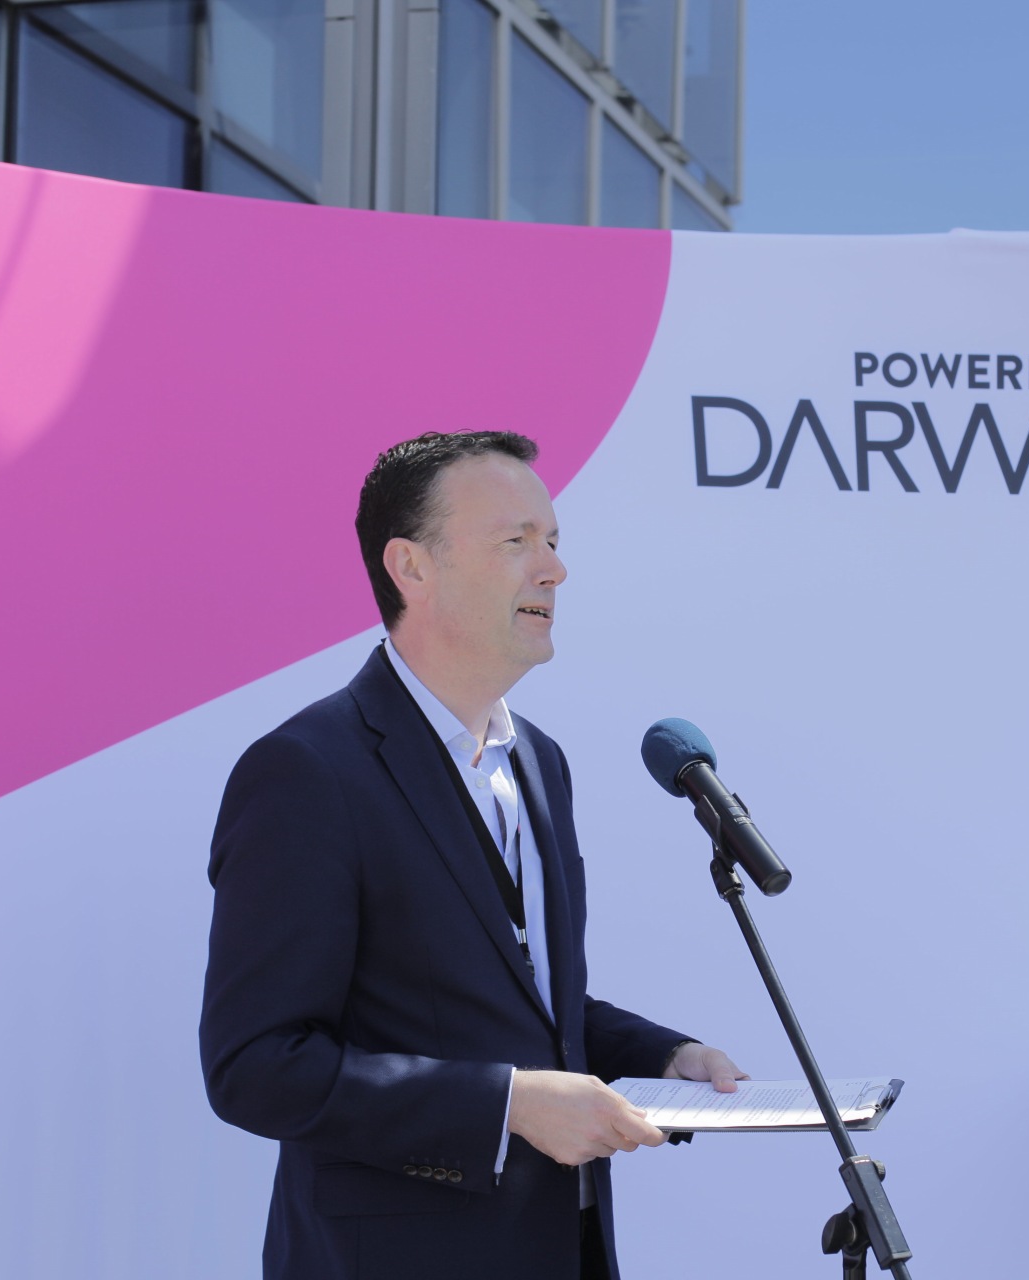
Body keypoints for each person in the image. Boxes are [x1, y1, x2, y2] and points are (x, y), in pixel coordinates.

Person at [199, 431, 746, 1280]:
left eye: (553, 540)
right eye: (516, 541)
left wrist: (658, 1057)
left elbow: (522, 1004)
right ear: (411, 567)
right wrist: (507, 1105)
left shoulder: (541, 763)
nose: (554, 569)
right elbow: (257, 1067)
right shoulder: (307, 771)